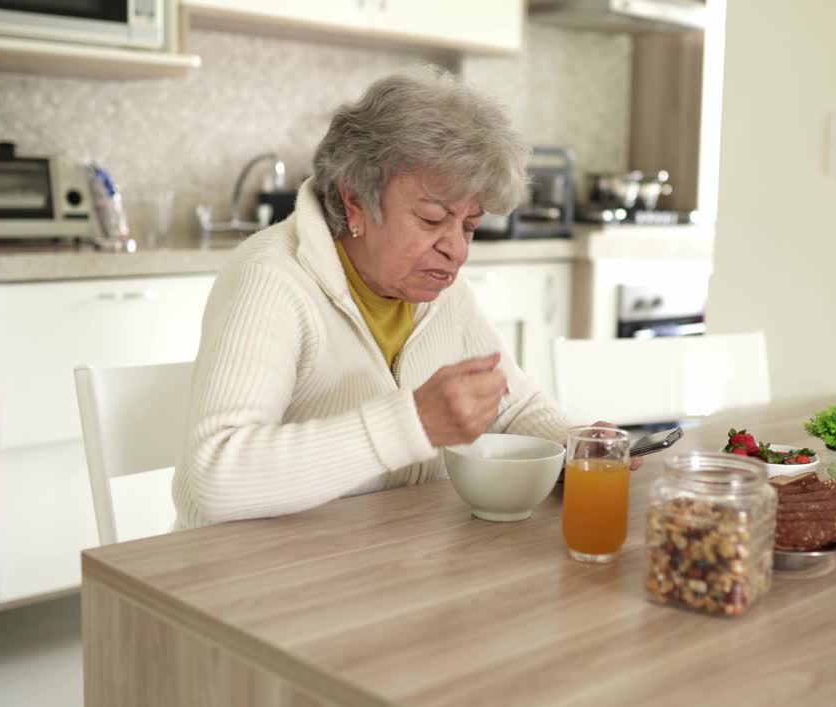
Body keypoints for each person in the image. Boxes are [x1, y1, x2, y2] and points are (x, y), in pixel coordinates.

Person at [172, 68, 636, 529]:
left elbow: (510, 404)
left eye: (469, 224)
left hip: (386, 560)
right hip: (259, 579)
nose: (457, 248)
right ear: (355, 202)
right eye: (433, 219)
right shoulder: (271, 280)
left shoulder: (438, 290)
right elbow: (212, 480)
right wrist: (413, 422)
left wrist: (575, 447)